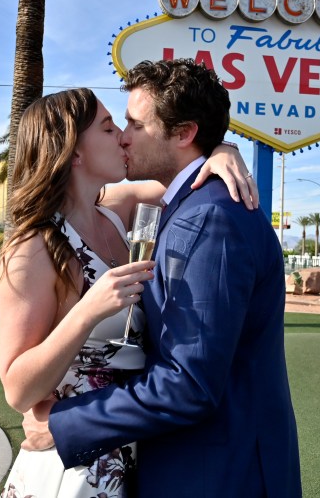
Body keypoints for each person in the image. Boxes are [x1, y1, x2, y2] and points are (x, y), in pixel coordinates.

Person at [28, 59, 302, 497]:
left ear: (183, 133)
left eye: (136, 124)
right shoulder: (185, 206)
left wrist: (63, 424)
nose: (123, 136)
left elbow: (188, 382)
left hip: (215, 473)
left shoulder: (209, 217)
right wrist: (222, 148)